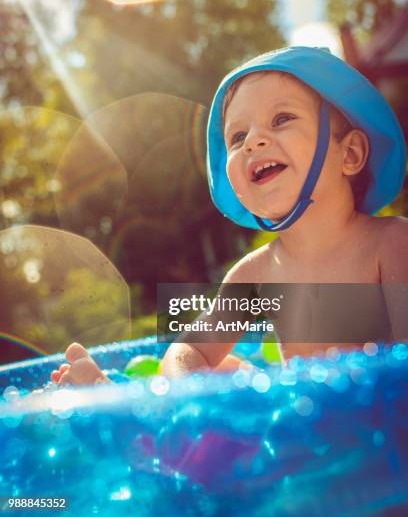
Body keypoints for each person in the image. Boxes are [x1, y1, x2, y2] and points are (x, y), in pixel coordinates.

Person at [51, 46, 408, 385]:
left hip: (371, 426)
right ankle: (122, 408)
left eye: (281, 118)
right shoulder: (255, 274)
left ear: (350, 155)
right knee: (218, 371)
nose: (253, 141)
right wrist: (185, 387)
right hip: (298, 425)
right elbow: (189, 347)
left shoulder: (389, 243)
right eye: (238, 137)